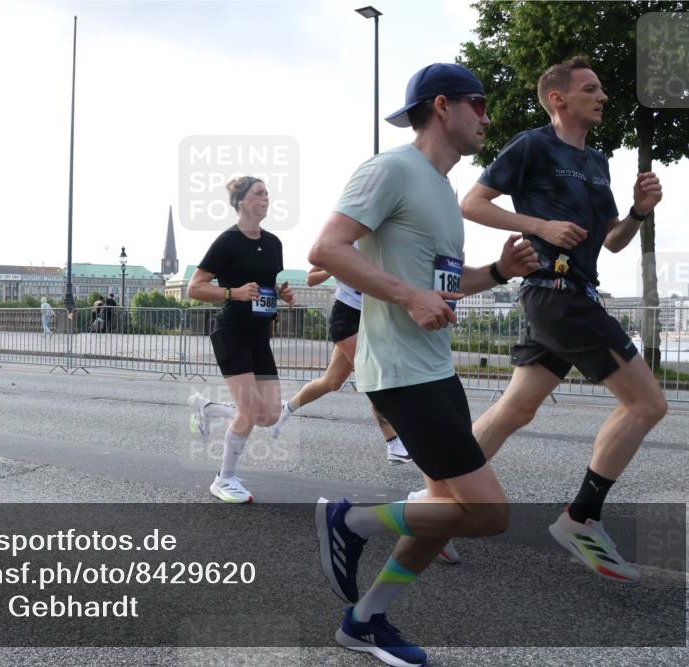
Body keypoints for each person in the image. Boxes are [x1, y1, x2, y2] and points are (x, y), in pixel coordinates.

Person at [309, 63, 539, 666]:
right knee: (488, 513)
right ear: (443, 106)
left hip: (435, 367)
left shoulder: (440, 190)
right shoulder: (392, 168)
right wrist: (408, 297)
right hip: (400, 371)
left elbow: (442, 280)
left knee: (438, 513)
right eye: (480, 104)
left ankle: (364, 620)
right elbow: (326, 249)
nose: (488, 117)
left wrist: (499, 272)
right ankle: (351, 520)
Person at [460, 55, 666, 583]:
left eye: (601, 89)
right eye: (590, 89)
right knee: (647, 404)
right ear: (559, 99)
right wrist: (541, 227)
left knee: (515, 410)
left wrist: (640, 211)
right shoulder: (533, 145)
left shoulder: (598, 163)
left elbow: (612, 242)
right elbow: (473, 203)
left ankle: (434, 499)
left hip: (575, 292)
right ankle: (581, 517)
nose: (602, 97)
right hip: (554, 293)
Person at [187, 176, 294, 504]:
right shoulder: (227, 241)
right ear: (241, 203)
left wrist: (280, 295)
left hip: (259, 335)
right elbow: (194, 287)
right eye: (259, 193)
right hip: (231, 331)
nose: (266, 198)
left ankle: (207, 408)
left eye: (267, 193)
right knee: (248, 411)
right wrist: (232, 292)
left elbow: (266, 287)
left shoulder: (274, 243)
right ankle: (224, 479)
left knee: (270, 415)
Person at [268, 259, 413, 466]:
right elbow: (311, 279)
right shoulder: (344, 241)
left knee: (332, 381)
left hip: (371, 320)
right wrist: (333, 266)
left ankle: (286, 409)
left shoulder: (377, 242)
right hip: (346, 320)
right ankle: (393, 442)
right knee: (374, 376)